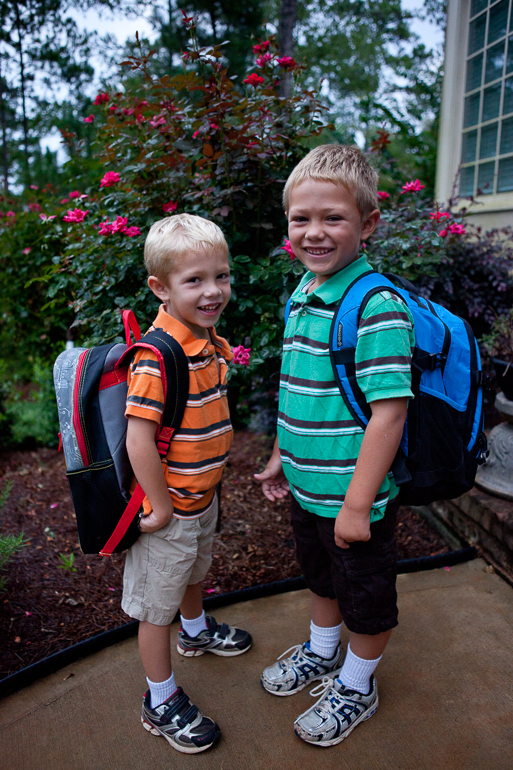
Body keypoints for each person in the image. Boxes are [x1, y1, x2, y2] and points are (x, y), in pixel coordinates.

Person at [254, 144, 415, 747]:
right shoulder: (302, 290)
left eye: (332, 218)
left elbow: (389, 416)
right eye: (301, 219)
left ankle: (357, 680)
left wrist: (355, 504)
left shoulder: (375, 307)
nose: (313, 232)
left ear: (368, 223)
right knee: (319, 577)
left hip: (356, 498)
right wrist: (279, 453)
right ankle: (323, 651)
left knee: (366, 598)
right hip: (307, 483)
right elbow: (297, 386)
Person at [122, 213, 252, 754]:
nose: (213, 290)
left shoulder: (208, 340)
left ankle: (196, 632)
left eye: (220, 276)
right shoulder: (159, 358)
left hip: (202, 499)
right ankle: (160, 697)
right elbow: (138, 440)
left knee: (194, 574)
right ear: (161, 288)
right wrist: (161, 505)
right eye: (194, 280)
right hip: (170, 509)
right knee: (156, 607)